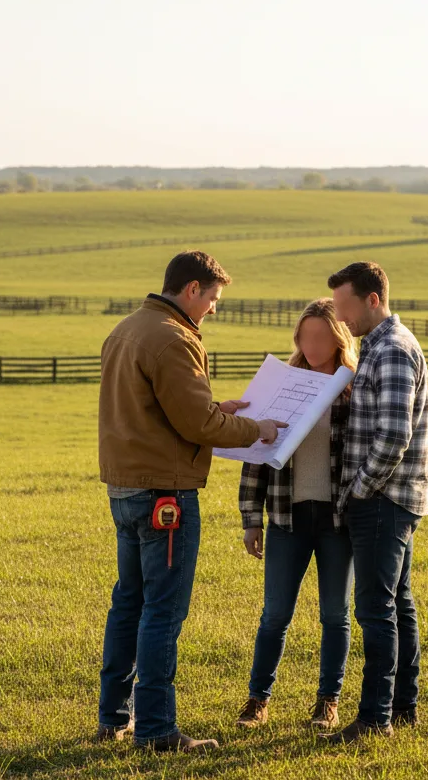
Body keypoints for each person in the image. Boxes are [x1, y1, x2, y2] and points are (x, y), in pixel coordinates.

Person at [96, 250, 288, 753]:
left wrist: (214, 408)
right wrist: (257, 428)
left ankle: (113, 717)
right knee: (163, 610)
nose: (214, 309)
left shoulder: (127, 328)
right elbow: (196, 426)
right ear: (192, 290)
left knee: (128, 604)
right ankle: (158, 731)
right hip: (166, 494)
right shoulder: (173, 338)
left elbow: (158, 408)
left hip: (125, 486)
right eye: (213, 298)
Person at [321, 261, 428, 745]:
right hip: (395, 497)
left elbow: (393, 437)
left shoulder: (390, 350)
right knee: (397, 604)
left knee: (374, 610)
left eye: (345, 307)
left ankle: (374, 718)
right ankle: (402, 707)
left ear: (372, 299)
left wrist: (358, 491)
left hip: (383, 499)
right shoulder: (380, 346)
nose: (340, 318)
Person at [235, 299, 358, 731]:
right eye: (305, 336)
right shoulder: (280, 388)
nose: (312, 344)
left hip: (337, 522)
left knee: (334, 615)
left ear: (338, 338)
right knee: (275, 614)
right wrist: (252, 517)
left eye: (321, 336)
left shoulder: (352, 392)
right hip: (286, 519)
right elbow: (256, 456)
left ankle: (328, 701)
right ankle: (257, 700)